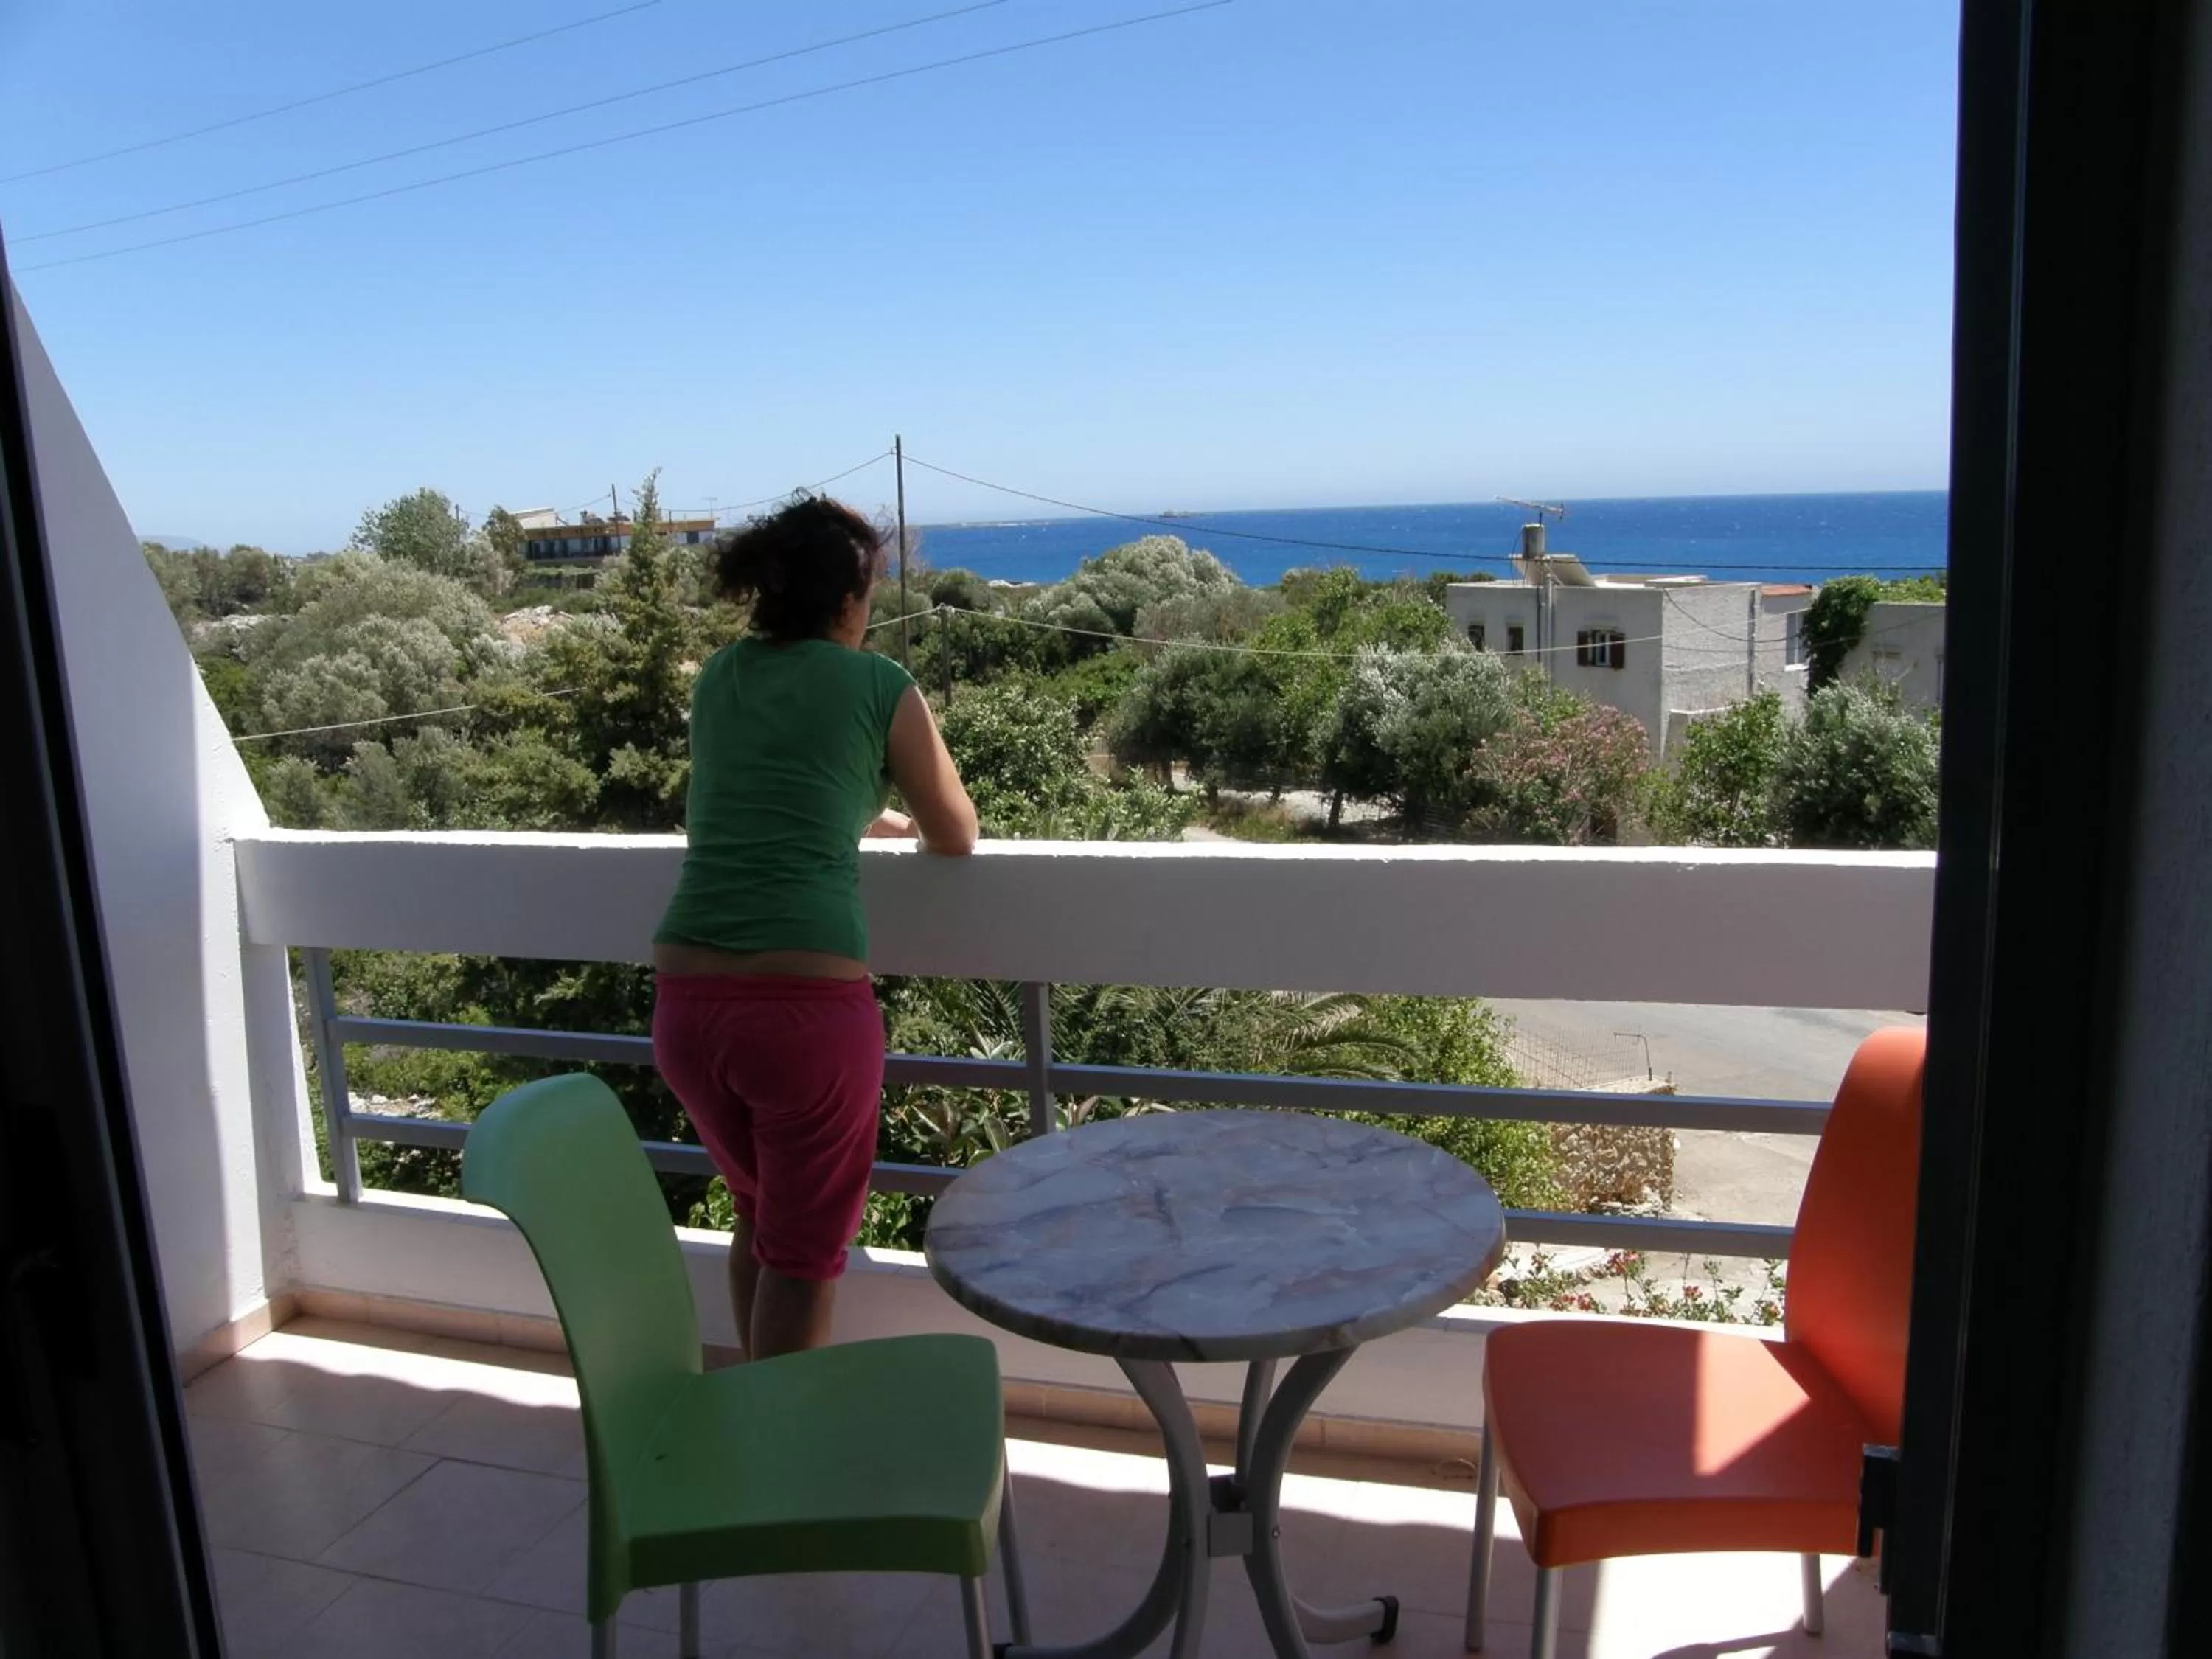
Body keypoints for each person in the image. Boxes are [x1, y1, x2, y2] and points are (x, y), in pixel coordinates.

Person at [652, 495, 976, 1360]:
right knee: (802, 1255)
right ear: (848, 601)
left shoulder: (720, 676)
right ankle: (784, 1465)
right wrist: (892, 813)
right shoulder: (881, 684)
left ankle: (757, 1427)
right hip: (801, 1013)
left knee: (761, 1218)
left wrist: (854, 816)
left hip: (686, 1006)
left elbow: (766, 799)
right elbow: (956, 833)